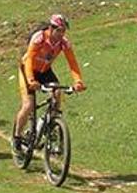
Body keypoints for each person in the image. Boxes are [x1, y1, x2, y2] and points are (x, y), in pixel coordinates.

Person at [12, 14, 86, 151]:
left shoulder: (64, 43)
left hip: (45, 71)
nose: (61, 34)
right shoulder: (39, 38)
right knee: (28, 105)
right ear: (51, 28)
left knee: (57, 93)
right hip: (27, 70)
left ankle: (51, 124)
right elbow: (29, 60)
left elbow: (73, 63)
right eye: (59, 30)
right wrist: (31, 80)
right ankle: (17, 137)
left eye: (63, 31)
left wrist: (78, 81)